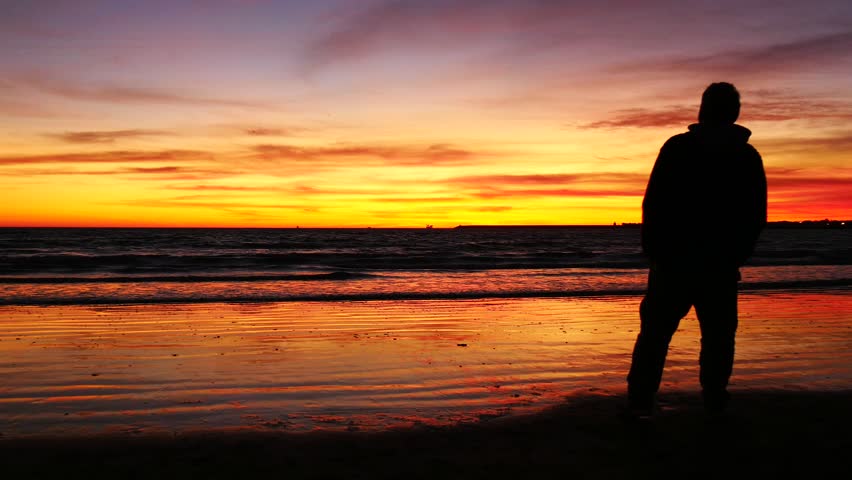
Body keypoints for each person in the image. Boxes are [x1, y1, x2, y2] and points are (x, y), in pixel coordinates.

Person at [626, 82, 767, 417]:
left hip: (678, 259)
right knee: (716, 335)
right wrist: (738, 252)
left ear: (702, 110)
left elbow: (654, 201)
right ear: (734, 113)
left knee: (658, 334)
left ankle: (641, 401)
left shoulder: (681, 148)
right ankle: (713, 398)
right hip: (713, 260)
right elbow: (754, 213)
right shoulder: (743, 155)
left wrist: (654, 249)